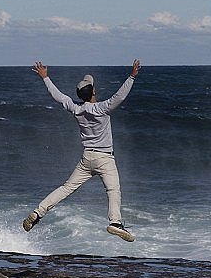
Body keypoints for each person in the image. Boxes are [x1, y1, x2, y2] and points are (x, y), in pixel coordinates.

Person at [22, 59, 141, 242]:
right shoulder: (103, 108)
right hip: (105, 158)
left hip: (87, 158)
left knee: (66, 188)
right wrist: (132, 76)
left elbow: (58, 96)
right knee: (113, 190)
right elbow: (120, 96)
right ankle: (115, 223)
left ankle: (38, 212)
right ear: (93, 91)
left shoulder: (75, 108)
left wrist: (45, 78)